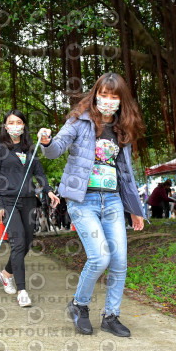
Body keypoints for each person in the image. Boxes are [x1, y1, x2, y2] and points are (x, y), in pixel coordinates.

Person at [38, 72, 145, 337]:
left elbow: (126, 173)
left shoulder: (122, 129)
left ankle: (111, 316)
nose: (108, 100)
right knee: (100, 257)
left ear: (121, 100)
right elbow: (56, 149)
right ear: (96, 94)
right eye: (103, 94)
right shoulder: (79, 120)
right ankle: (79, 305)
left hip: (112, 201)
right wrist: (46, 141)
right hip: (83, 201)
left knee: (119, 261)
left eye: (114, 96)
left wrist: (135, 210)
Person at [0, 109, 60, 307]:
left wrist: (48, 190)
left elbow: (39, 172)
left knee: (27, 242)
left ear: (24, 125)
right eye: (11, 122)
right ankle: (22, 291)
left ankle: (5, 274)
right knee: (18, 242)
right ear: (5, 126)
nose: (15, 126)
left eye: (19, 122)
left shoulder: (30, 147)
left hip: (28, 200)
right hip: (8, 201)